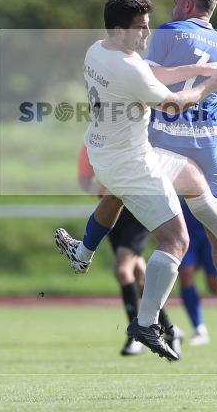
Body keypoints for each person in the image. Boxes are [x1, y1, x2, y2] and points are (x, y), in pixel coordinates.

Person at [55, 0, 217, 361]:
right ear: (118, 28)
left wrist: (198, 70)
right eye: (141, 28)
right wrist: (209, 87)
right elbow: (174, 104)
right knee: (176, 241)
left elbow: (154, 73)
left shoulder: (99, 49)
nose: (147, 34)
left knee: (192, 176)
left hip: (111, 151)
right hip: (131, 164)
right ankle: (145, 323)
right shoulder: (128, 70)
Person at [145, 0, 217, 350]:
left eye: (175, 3)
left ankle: (146, 319)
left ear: (188, 5)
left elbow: (148, 81)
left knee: (154, 228)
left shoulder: (169, 32)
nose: (171, 10)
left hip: (167, 138)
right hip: (208, 143)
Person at [77, 145, 182, 357]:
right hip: (111, 211)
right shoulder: (92, 142)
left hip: (139, 206)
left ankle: (136, 337)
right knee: (139, 275)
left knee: (122, 269)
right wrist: (103, 190)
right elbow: (84, 180)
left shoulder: (135, 133)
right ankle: (171, 330)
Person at [180, 157, 217, 346]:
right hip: (187, 226)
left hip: (209, 225)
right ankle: (199, 328)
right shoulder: (175, 150)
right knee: (186, 274)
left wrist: (210, 200)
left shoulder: (208, 151)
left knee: (214, 285)